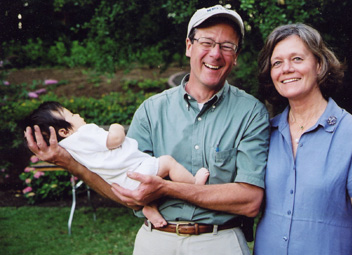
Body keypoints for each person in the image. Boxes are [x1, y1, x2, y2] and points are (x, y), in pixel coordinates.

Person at [25, 5, 270, 255]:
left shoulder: (251, 113)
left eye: (227, 46)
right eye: (206, 42)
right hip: (156, 242)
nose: (215, 54)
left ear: (236, 55)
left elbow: (250, 202)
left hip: (220, 241)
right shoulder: (151, 110)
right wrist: (69, 162)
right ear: (189, 46)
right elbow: (124, 186)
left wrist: (167, 188)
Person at [254, 23, 352, 255]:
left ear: (319, 65)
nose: (286, 69)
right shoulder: (264, 133)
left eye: (297, 59)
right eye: (277, 63)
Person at [24, 101, 209, 228]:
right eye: (71, 114)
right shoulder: (85, 133)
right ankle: (194, 184)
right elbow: (115, 140)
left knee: (149, 187)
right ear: (64, 131)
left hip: (123, 185)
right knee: (168, 162)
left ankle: (149, 208)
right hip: (137, 172)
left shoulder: (69, 150)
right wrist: (116, 126)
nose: (78, 115)